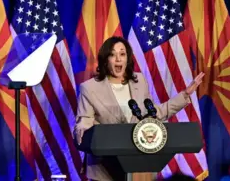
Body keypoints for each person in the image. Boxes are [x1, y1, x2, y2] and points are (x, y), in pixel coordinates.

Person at [74, 36, 204, 181]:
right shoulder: (89, 88)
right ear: (105, 59)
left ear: (127, 58)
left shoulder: (139, 81)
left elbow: (154, 114)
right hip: (104, 168)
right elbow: (84, 121)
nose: (118, 59)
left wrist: (185, 94)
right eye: (112, 54)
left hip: (139, 163)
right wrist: (83, 130)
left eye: (122, 54)